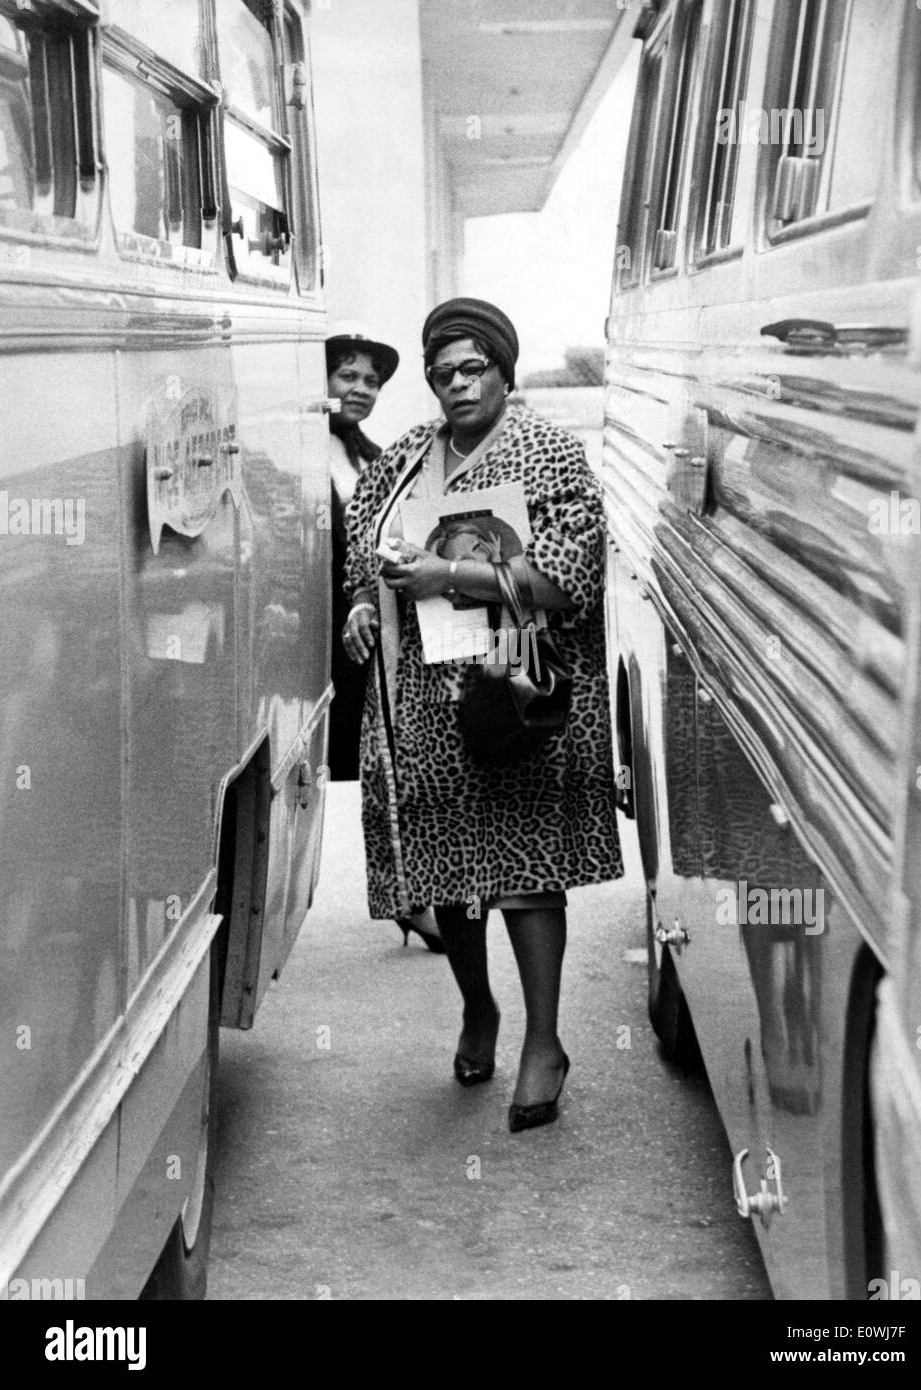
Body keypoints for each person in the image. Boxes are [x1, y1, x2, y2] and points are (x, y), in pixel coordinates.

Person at [342, 297, 624, 1132]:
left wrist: (448, 578)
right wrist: (364, 601)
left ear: (504, 369)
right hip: (427, 700)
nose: (456, 385)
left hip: (517, 694)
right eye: (442, 373)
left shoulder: (550, 453)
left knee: (529, 873)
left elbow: (569, 577)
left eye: (472, 369)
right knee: (447, 867)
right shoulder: (400, 460)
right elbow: (368, 549)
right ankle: (479, 1010)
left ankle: (545, 1041)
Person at [325, 322, 444, 954]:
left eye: (371, 380)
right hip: (308, 641)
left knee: (392, 768)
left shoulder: (372, 458)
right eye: (348, 376)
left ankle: (415, 897)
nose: (362, 389)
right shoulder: (292, 448)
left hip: (365, 637)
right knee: (358, 769)